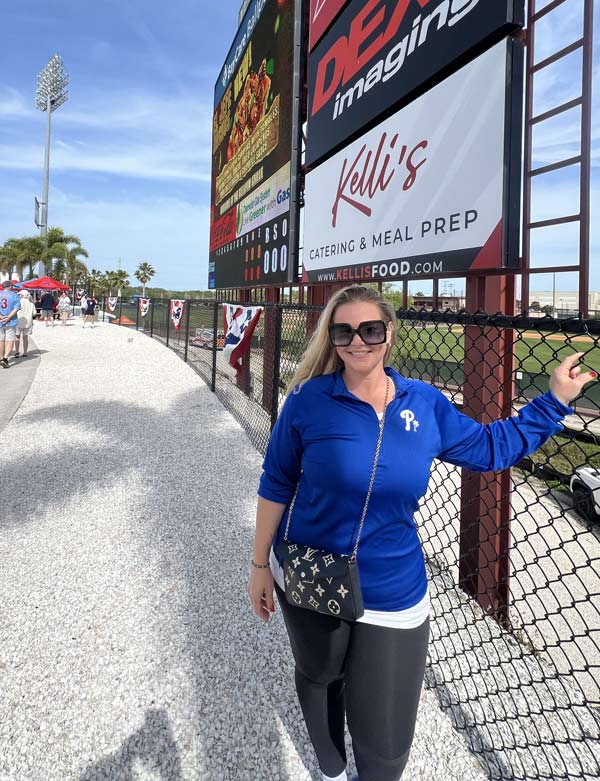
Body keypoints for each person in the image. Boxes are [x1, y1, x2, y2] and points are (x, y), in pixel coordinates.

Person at [248, 285, 596, 781]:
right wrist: (260, 565)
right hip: (311, 572)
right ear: (332, 337)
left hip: (392, 585)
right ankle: (328, 767)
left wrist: (555, 399)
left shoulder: (425, 405)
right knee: (321, 674)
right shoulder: (308, 401)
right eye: (343, 331)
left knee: (387, 747)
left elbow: (493, 448)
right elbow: (276, 481)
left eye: (370, 329)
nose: (357, 342)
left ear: (389, 334)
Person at [0, 280, 21, 368]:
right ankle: (5, 358)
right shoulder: (14, 295)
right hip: (11, 321)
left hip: (0, 321)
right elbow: (16, 308)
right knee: (10, 339)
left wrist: (1, 317)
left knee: (1, 340)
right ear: (10, 286)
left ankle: (1, 357)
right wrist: (8, 317)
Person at [15, 290, 35, 358]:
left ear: (22, 295)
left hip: (18, 321)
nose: (18, 296)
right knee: (25, 338)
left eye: (19, 295)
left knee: (17, 337)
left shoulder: (18, 302)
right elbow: (34, 313)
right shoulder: (31, 304)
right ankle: (25, 352)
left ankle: (17, 351)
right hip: (28, 322)